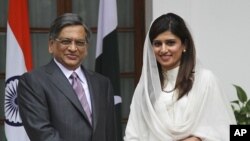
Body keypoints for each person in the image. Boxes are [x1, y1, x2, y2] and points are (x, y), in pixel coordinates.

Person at [124, 13, 236, 141]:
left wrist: (198, 139)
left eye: (170, 43)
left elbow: (225, 130)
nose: (163, 49)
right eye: (157, 44)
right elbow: (133, 135)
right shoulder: (145, 88)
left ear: (185, 45)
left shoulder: (205, 80)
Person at [17, 13, 116, 141]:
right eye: (66, 41)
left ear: (86, 48)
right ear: (51, 45)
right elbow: (42, 135)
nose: (73, 48)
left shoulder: (102, 83)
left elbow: (110, 133)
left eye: (80, 43)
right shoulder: (33, 82)